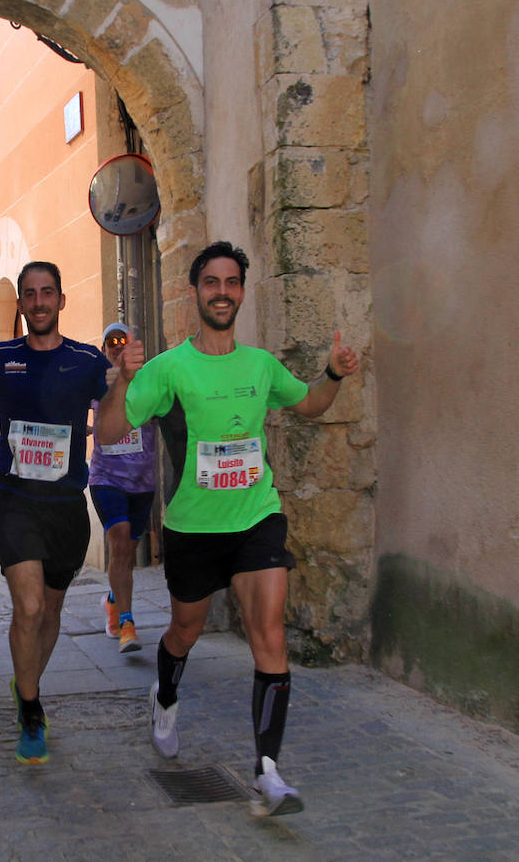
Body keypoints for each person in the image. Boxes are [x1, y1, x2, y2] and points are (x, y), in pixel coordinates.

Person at [96, 241, 360, 816]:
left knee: (269, 632)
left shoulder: (260, 365)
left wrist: (332, 374)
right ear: (196, 293)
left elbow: (310, 402)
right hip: (193, 528)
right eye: (211, 282)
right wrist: (120, 380)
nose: (222, 291)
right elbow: (109, 432)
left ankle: (267, 771)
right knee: (184, 632)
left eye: (232, 282)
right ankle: (164, 695)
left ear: (241, 290)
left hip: (255, 517)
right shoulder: (168, 369)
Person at [0, 261, 110, 765]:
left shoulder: (87, 360)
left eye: (46, 293)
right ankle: (31, 710)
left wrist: (123, 383)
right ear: (20, 304)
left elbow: (118, 421)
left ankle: (26, 680)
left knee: (51, 612)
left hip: (66, 506)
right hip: (13, 497)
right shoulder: (0, 357)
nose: (38, 302)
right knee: (30, 607)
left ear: (61, 300)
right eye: (29, 294)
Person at [89, 322, 157, 654]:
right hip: (106, 479)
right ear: (103, 349)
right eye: (110, 343)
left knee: (127, 554)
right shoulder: (97, 381)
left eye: (123, 342)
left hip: (143, 482)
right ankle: (128, 624)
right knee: (119, 543)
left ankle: (113, 601)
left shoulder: (150, 382)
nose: (117, 347)